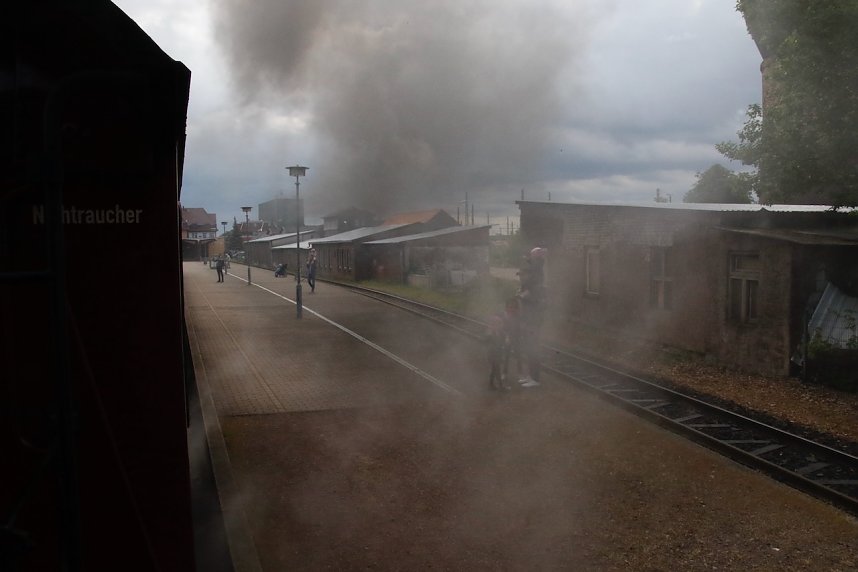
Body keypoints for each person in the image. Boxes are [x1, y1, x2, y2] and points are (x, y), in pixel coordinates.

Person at [484, 313, 509, 391]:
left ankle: (491, 384)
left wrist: (506, 340)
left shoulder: (501, 333)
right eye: (498, 324)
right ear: (492, 325)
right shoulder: (490, 334)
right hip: (492, 355)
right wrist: (489, 335)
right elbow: (485, 341)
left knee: (494, 370)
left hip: (498, 354)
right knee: (497, 370)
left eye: (500, 324)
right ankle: (501, 386)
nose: (500, 326)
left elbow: (505, 338)